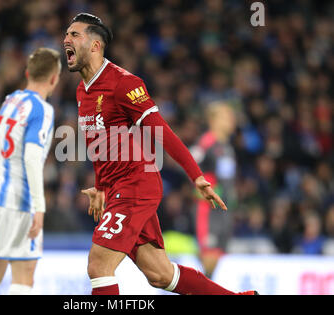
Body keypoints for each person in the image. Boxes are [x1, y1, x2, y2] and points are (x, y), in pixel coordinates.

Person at [64, 13, 257, 295]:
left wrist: (197, 176)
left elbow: (162, 132)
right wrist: (101, 186)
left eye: (74, 35)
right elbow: (100, 146)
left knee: (98, 265)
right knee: (159, 274)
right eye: (66, 34)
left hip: (135, 185)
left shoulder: (123, 83)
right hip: (117, 187)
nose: (66, 39)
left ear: (95, 45)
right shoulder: (83, 91)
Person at [0, 48, 61, 295]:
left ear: (27, 72)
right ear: (54, 79)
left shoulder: (10, 100)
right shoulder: (42, 109)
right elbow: (31, 160)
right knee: (23, 279)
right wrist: (39, 208)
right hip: (19, 204)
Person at [190, 102, 237, 278]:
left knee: (216, 256)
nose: (231, 121)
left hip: (224, 211)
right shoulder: (207, 142)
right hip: (208, 209)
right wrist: (201, 189)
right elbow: (189, 164)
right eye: (227, 117)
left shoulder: (226, 147)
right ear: (213, 120)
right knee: (209, 255)